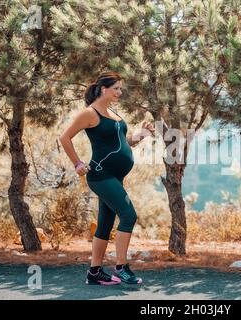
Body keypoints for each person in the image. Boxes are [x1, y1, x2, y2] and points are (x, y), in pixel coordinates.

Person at [59, 71, 155, 285]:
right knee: (129, 215)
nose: (120, 92)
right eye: (116, 89)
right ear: (104, 89)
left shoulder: (111, 112)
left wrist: (141, 135)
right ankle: (121, 267)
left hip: (115, 176)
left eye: (121, 89)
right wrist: (77, 163)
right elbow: (64, 137)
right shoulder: (90, 113)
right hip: (101, 175)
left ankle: (94, 272)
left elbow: (122, 143)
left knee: (105, 224)